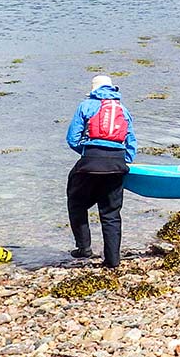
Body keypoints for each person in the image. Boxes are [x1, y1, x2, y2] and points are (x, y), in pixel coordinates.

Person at [65, 75, 136, 267]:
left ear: (93, 89)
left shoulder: (86, 106)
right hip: (117, 164)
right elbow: (131, 144)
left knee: (76, 203)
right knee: (111, 214)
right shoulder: (123, 109)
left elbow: (72, 138)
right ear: (113, 89)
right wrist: (123, 161)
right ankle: (112, 261)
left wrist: (89, 153)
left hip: (90, 163)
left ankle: (84, 248)